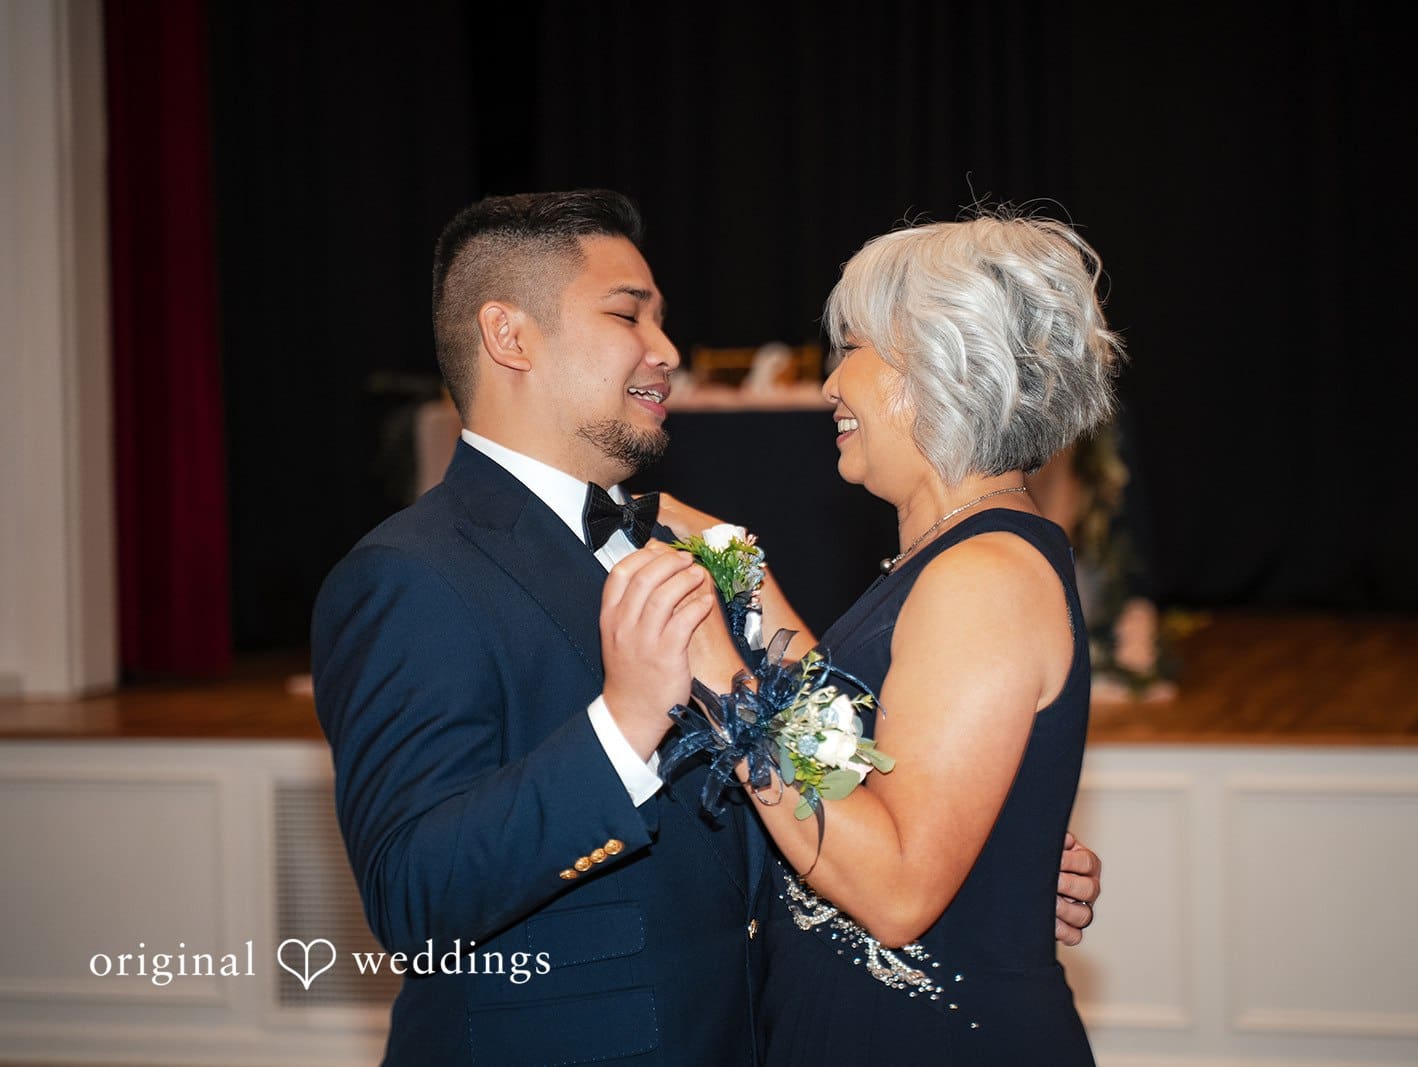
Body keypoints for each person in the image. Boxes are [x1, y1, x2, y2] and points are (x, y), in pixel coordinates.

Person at [310, 190, 1103, 1066]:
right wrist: (620, 729)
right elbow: (412, 898)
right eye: (628, 315)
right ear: (511, 336)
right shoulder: (413, 573)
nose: (669, 352)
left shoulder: (700, 550)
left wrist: (995, 854)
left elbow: (851, 797)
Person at [651, 210, 1119, 1064]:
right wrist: (727, 557)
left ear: (931, 369)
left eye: (853, 349)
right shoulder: (956, 555)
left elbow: (899, 889)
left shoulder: (984, 577)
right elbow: (838, 733)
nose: (831, 386)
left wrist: (721, 672)